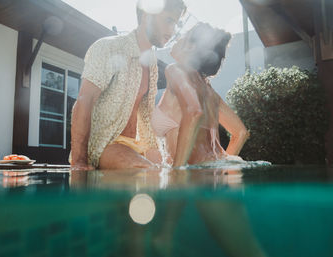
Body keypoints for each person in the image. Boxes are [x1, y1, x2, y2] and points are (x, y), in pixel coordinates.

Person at [70, 0, 187, 169]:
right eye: (169, 20)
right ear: (147, 16)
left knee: (173, 175)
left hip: (137, 144)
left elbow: (146, 114)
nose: (172, 30)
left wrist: (161, 153)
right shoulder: (109, 47)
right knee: (149, 174)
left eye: (176, 23)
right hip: (106, 145)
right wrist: (79, 163)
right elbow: (84, 101)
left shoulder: (151, 62)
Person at [151, 22, 250, 167]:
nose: (177, 39)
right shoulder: (209, 91)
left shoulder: (175, 70)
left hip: (193, 176)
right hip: (215, 168)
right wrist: (224, 169)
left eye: (183, 36)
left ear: (191, 47)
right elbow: (241, 132)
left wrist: (178, 171)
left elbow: (194, 112)